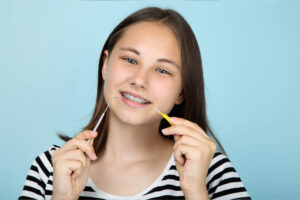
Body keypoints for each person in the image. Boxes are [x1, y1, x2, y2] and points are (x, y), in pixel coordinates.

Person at [19, 7, 251, 200]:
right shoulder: (49, 168)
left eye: (162, 70)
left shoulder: (211, 171)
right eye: (130, 60)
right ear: (105, 65)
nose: (139, 80)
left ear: (182, 92)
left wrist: (196, 192)